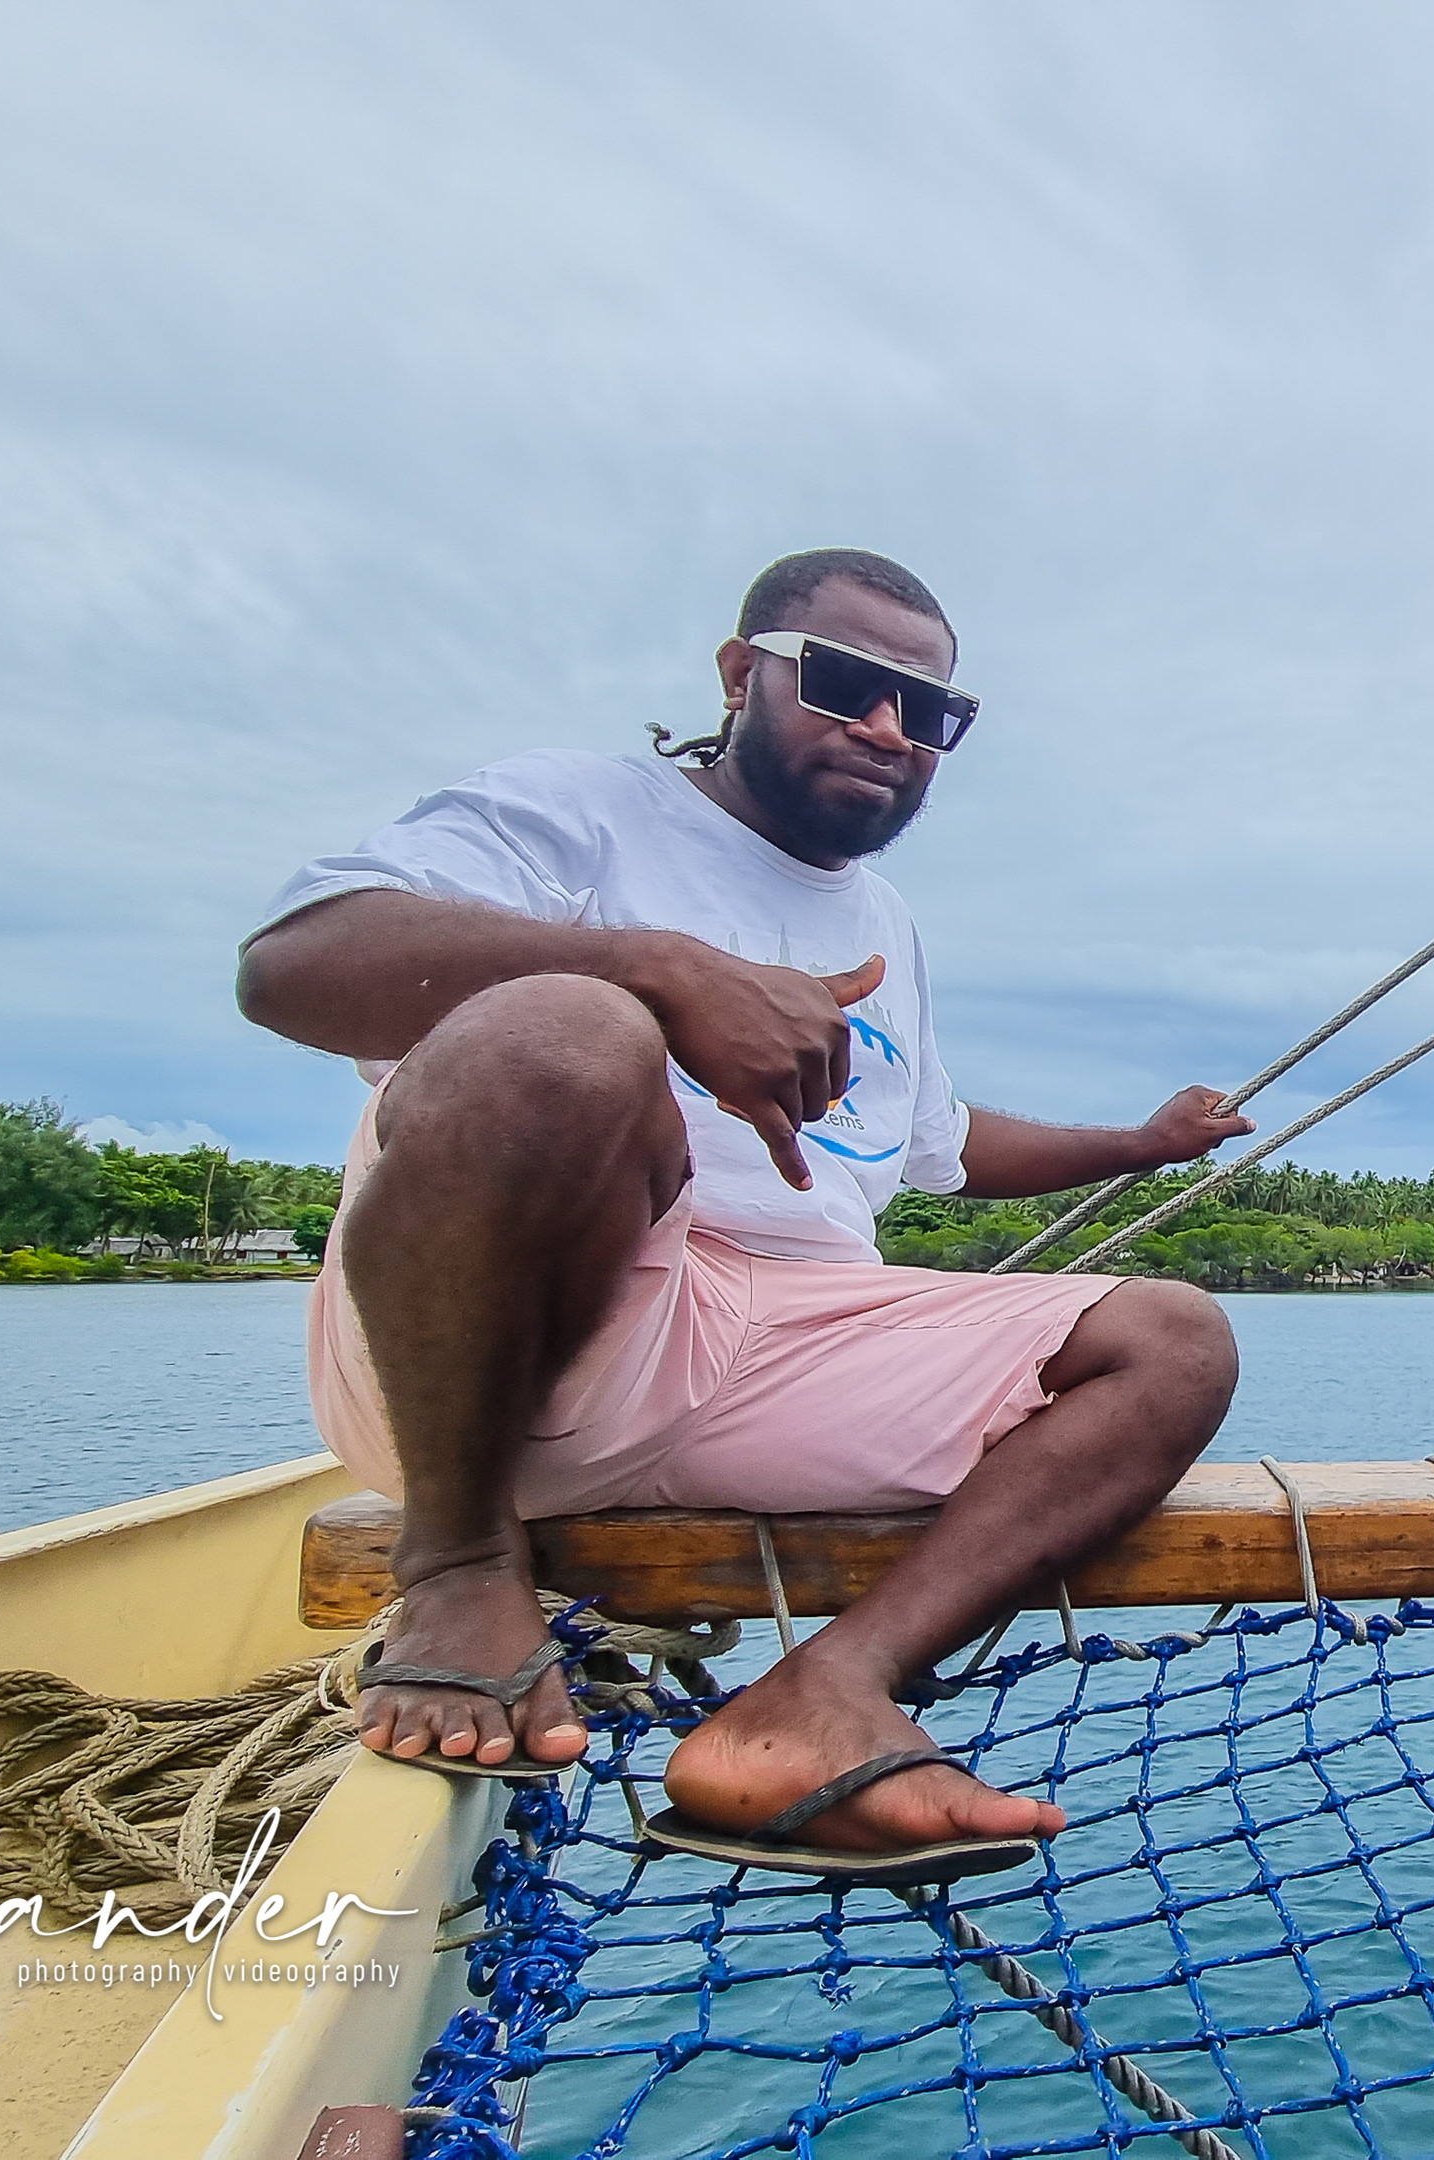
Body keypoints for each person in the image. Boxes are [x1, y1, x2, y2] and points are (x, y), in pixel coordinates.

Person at [237, 547, 1255, 1880]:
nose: (889, 731)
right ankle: (462, 1558)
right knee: (568, 1034)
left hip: (789, 1338)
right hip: (511, 1352)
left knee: (1174, 1340)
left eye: (930, 712)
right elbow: (290, 964)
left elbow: (939, 1146)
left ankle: (819, 1701)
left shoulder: (885, 918)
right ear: (741, 676)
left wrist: (1143, 1141)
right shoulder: (581, 810)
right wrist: (655, 972)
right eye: (845, 685)